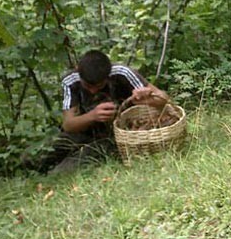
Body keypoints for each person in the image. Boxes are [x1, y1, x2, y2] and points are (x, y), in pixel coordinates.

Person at [37, 50, 168, 174]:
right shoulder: (71, 81)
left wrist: (148, 97)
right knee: (36, 156)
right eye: (88, 86)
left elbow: (164, 99)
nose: (93, 91)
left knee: (65, 169)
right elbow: (68, 125)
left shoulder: (123, 73)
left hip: (114, 136)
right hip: (83, 131)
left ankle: (54, 174)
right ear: (78, 72)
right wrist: (92, 116)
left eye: (99, 86)